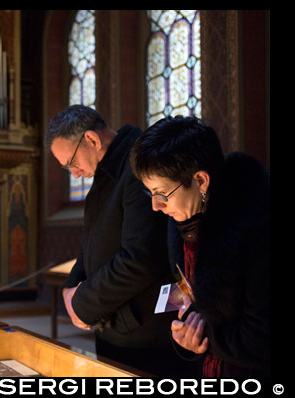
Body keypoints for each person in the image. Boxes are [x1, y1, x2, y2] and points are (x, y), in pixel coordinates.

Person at [47, 105, 196, 376]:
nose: (74, 173)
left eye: (71, 163)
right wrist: (70, 289)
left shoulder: (137, 165)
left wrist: (81, 304)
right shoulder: (105, 172)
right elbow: (91, 242)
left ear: (91, 139)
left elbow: (141, 258)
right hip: (114, 322)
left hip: (143, 333)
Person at [129, 115, 270, 377]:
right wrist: (185, 338)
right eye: (150, 193)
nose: (155, 206)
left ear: (201, 181)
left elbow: (260, 336)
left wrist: (205, 339)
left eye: (161, 194)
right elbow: (185, 295)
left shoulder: (256, 226)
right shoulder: (183, 220)